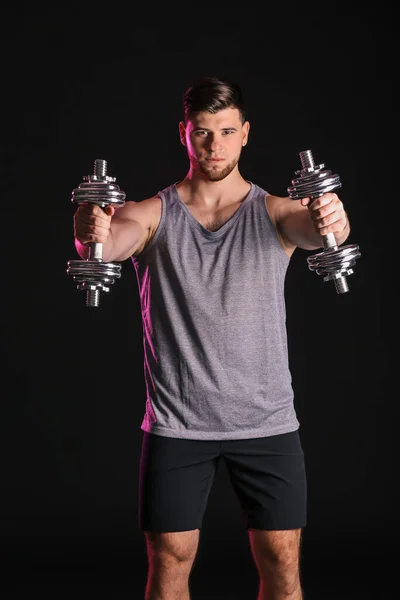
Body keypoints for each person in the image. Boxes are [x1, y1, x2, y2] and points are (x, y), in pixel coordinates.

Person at [73, 76, 350, 600]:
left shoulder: (276, 214)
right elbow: (108, 246)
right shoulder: (151, 215)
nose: (215, 145)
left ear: (245, 134)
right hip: (178, 425)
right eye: (203, 132)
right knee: (169, 564)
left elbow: (321, 233)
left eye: (226, 131)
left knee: (283, 563)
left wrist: (336, 218)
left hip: (266, 420)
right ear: (184, 134)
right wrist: (92, 228)